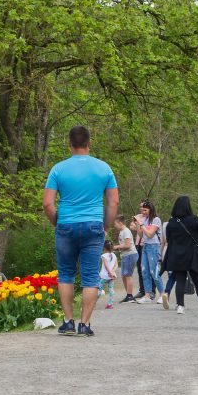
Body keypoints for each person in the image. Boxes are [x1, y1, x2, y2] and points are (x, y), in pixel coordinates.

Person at [43, 125, 119, 337]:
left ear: (70, 143)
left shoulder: (58, 169)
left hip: (66, 224)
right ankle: (84, 325)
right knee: (90, 277)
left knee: (66, 274)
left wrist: (56, 223)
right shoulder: (104, 168)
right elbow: (113, 203)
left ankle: (68, 322)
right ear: (89, 142)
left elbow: (48, 204)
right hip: (94, 224)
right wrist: (106, 226)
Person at [161, 196, 198, 314]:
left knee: (180, 280)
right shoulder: (194, 220)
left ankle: (180, 306)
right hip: (192, 255)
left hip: (177, 255)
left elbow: (169, 240)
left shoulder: (171, 223)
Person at [135, 200, 164, 304]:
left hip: (154, 247)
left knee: (154, 271)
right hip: (146, 247)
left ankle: (162, 294)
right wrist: (138, 224)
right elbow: (141, 235)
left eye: (145, 210)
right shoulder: (145, 220)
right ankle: (147, 294)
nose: (143, 212)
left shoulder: (156, 220)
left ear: (150, 210)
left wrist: (141, 223)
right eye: (141, 209)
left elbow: (150, 234)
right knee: (144, 271)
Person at [113, 215, 139, 303]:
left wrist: (117, 247)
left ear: (120, 223)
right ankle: (128, 294)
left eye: (115, 224)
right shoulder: (122, 231)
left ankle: (130, 296)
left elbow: (128, 245)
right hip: (125, 255)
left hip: (130, 255)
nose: (115, 226)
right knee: (124, 276)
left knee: (128, 275)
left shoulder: (126, 231)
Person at [130, 202, 147, 299]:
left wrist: (140, 226)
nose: (142, 208)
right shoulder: (137, 216)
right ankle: (142, 290)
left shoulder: (150, 217)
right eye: (140, 206)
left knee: (148, 268)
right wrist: (140, 227)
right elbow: (132, 226)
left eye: (144, 207)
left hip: (147, 244)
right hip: (138, 244)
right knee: (140, 268)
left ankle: (151, 290)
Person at [97, 240, 118, 309]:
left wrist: (109, 272)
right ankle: (110, 304)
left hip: (104, 276)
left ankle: (92, 303)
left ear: (104, 248)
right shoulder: (114, 255)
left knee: (99, 289)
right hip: (112, 277)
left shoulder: (104, 256)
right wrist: (112, 272)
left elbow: (106, 266)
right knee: (111, 289)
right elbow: (116, 265)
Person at [160, 220, 175, 310]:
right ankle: (180, 302)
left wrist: (161, 255)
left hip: (166, 250)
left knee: (171, 276)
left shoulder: (165, 224)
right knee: (179, 276)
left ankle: (166, 294)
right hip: (177, 251)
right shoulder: (181, 222)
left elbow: (162, 241)